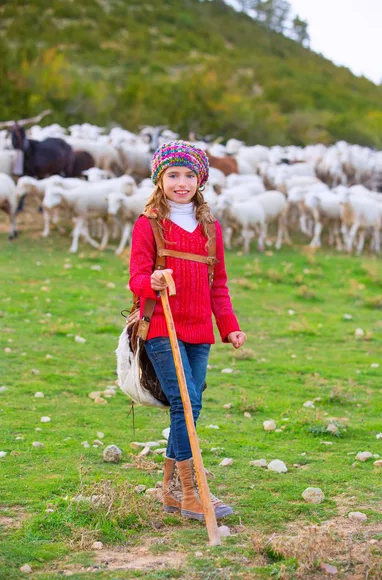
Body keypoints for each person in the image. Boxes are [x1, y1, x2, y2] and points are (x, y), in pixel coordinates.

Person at [129, 141, 246, 521]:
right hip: (163, 324)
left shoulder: (210, 228)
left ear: (201, 179)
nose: (181, 183)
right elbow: (136, 278)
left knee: (189, 405)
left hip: (200, 330)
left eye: (189, 175)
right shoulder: (149, 224)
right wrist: (154, 280)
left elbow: (219, 284)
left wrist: (229, 327)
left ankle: (171, 490)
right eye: (173, 175)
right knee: (187, 402)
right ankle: (191, 492)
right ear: (159, 179)